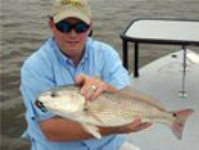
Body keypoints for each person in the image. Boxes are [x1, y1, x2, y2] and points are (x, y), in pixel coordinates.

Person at [20, 0, 151, 149]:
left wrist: (105, 87)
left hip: (109, 145)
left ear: (90, 28)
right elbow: (52, 130)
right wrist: (119, 128)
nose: (72, 34)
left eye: (80, 27)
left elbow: (128, 99)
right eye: (64, 26)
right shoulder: (35, 67)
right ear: (52, 25)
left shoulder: (106, 54)